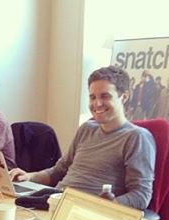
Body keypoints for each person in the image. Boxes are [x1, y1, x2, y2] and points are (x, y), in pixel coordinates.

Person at [9, 66, 155, 211]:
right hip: (56, 202)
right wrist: (29, 177)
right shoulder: (87, 129)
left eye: (105, 96)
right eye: (92, 97)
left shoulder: (136, 137)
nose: (97, 103)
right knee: (6, 209)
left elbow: (141, 195)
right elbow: (58, 171)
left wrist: (102, 206)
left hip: (86, 212)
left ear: (124, 96)